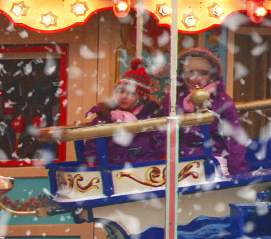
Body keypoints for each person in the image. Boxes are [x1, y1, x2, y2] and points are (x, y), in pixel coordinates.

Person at [177, 48, 249, 177]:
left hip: (213, 159)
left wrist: (238, 172)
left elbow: (233, 138)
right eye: (191, 73)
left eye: (204, 73)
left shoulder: (221, 100)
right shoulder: (173, 100)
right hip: (180, 163)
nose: (197, 78)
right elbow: (164, 136)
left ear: (212, 75)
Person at [82, 58, 167, 165]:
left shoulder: (151, 117)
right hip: (113, 169)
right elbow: (92, 148)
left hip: (145, 168)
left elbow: (161, 144)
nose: (124, 97)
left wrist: (161, 162)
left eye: (131, 94)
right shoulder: (104, 117)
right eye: (120, 91)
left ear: (141, 98)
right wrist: (95, 165)